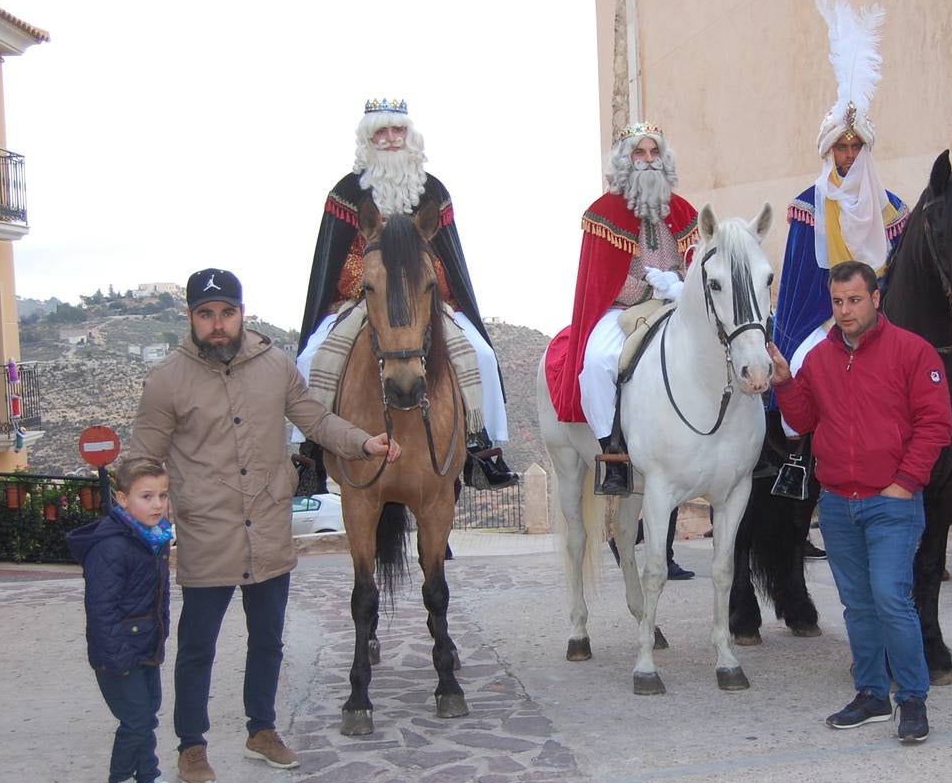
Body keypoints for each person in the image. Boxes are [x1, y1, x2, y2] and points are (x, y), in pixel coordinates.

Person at [130, 269, 401, 783]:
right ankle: (192, 745)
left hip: (269, 526)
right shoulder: (167, 379)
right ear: (191, 317)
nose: (217, 325)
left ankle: (262, 730)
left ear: (241, 314)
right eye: (206, 315)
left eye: (226, 313)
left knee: (268, 640)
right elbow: (145, 455)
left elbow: (317, 421)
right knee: (197, 647)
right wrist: (144, 511)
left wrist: (364, 442)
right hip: (208, 531)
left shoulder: (276, 366)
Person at [770, 260, 952, 744]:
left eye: (854, 300)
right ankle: (872, 694)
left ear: (875, 298)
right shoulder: (820, 358)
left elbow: (937, 425)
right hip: (837, 504)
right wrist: (786, 381)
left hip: (891, 502)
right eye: (837, 302)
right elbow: (804, 420)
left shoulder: (913, 352)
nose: (845, 310)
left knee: (892, 597)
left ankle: (912, 698)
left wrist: (904, 483)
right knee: (857, 605)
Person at [299, 98, 516, 490]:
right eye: (381, 132)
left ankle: (480, 447)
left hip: (424, 299)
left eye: (398, 131)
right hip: (362, 299)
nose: (391, 139)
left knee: (480, 354)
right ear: (368, 139)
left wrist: (423, 288)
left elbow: (447, 259)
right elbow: (334, 260)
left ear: (410, 136)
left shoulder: (432, 190)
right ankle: (308, 454)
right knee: (311, 357)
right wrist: (372, 281)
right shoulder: (347, 192)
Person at [549, 121, 699, 495]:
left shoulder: (683, 212)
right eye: (639, 153)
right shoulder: (604, 213)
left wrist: (679, 284)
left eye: (654, 153)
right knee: (599, 362)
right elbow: (601, 283)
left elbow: (695, 264)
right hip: (620, 311)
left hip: (677, 307)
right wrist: (649, 283)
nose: (648, 161)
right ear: (625, 160)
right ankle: (611, 451)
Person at [771, 0, 906, 375]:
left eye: (855, 146)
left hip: (884, 318)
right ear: (829, 152)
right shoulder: (807, 206)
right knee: (802, 367)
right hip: (825, 318)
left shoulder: (892, 209)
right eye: (841, 147)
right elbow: (799, 280)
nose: (849, 155)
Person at [68, 457, 193, 783]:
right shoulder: (112, 547)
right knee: (135, 719)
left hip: (145, 644)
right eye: (146, 496)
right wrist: (117, 658)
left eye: (162, 495)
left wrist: (159, 635)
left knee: (148, 714)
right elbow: (101, 609)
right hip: (118, 653)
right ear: (122, 500)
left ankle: (149, 781)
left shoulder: (151, 538)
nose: (157, 504)